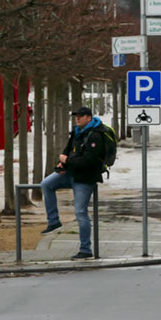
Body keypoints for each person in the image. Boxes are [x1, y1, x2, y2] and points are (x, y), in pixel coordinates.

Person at [40, 106, 107, 260]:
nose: (77, 118)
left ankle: (85, 250)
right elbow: (66, 151)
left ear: (89, 118)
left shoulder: (96, 135)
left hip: (85, 178)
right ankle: (54, 221)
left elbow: (90, 161)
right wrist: (61, 164)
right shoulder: (76, 132)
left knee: (80, 213)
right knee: (46, 184)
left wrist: (68, 161)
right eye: (76, 116)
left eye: (80, 116)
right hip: (70, 173)